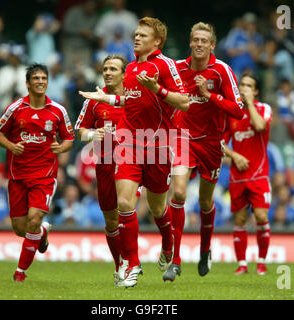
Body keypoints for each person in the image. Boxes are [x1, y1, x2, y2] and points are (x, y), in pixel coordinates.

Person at [79, 17, 189, 287]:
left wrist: (158, 88)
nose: (136, 38)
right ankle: (133, 264)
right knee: (125, 203)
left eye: (142, 35)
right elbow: (133, 101)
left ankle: (167, 244)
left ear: (157, 41)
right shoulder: (131, 67)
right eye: (136, 34)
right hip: (129, 142)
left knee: (157, 207)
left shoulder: (165, 65)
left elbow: (184, 102)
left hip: (158, 143)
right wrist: (109, 99)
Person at [163, 22, 244, 282]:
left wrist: (208, 94)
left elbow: (238, 110)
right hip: (182, 138)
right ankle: (175, 261)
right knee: (178, 192)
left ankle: (205, 248)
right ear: (190, 42)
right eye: (195, 39)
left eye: (204, 40)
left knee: (205, 202)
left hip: (211, 142)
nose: (199, 44)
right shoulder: (176, 68)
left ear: (212, 45)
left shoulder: (221, 71)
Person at [0, 63, 75, 282]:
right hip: (17, 175)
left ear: (47, 82)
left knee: (34, 219)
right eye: (36, 78)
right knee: (21, 229)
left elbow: (69, 138)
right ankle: (42, 234)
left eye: (44, 78)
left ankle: (20, 273)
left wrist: (62, 147)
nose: (40, 81)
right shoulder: (16, 109)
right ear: (28, 83)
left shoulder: (58, 110)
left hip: (44, 175)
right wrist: (11, 146)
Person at [75, 54, 128, 286]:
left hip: (131, 163)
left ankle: (132, 262)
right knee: (111, 221)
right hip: (105, 165)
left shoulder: (132, 97)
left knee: (127, 210)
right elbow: (80, 131)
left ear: (124, 73)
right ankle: (120, 266)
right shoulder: (94, 100)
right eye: (105, 68)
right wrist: (91, 135)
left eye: (113, 69)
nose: (107, 72)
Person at [223, 73, 272, 275]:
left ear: (256, 91)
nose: (243, 88)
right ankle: (242, 265)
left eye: (248, 85)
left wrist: (250, 103)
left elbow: (260, 126)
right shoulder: (231, 112)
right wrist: (234, 155)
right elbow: (219, 142)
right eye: (241, 85)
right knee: (240, 220)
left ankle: (261, 262)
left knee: (260, 216)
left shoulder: (263, 108)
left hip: (259, 174)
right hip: (238, 175)